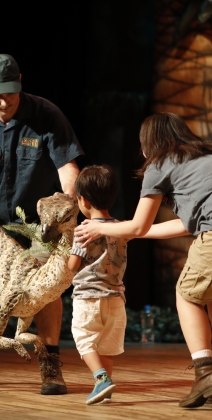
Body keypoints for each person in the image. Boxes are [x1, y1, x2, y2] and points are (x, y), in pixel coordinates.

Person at [74, 112, 212, 409]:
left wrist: (103, 227)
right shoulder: (211, 158)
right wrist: (132, 234)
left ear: (149, 143)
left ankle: (205, 376)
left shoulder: (159, 164)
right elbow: (183, 225)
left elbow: (137, 225)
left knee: (186, 296)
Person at [0, 53, 84, 395]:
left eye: (10, 91)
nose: (3, 99)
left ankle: (50, 361)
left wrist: (67, 204)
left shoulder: (46, 114)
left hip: (42, 224)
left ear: (20, 82)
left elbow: (68, 165)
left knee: (47, 288)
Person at [67, 165, 128, 405]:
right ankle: (105, 387)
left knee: (83, 338)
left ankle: (101, 378)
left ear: (83, 200)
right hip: (115, 298)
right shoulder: (122, 227)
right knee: (107, 347)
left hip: (88, 298)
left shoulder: (83, 229)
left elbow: (73, 265)